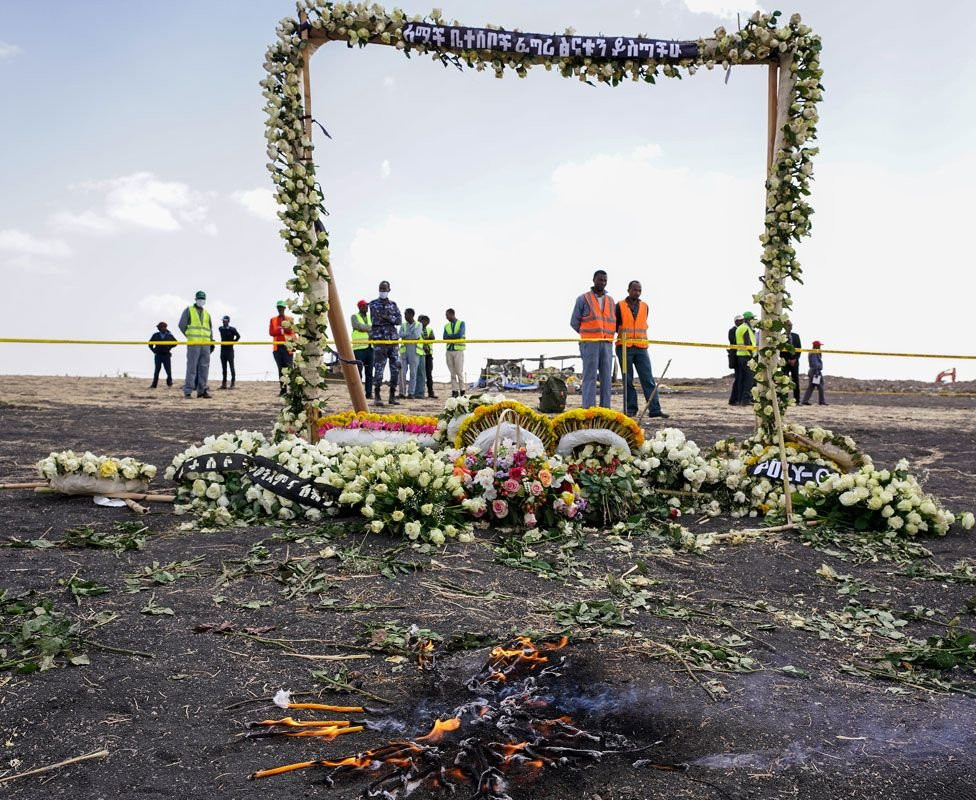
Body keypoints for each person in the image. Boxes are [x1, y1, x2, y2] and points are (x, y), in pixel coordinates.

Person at [615, 280, 667, 418]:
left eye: (639, 290)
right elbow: (615, 325)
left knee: (648, 379)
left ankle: (655, 410)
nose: (637, 293)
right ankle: (631, 409)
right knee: (628, 380)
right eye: (634, 290)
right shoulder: (619, 306)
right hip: (624, 347)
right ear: (628, 290)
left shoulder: (645, 306)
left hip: (641, 347)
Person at [570, 269, 615, 409]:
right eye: (600, 280)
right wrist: (587, 335)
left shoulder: (610, 301)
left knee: (606, 378)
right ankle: (588, 408)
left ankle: (605, 408)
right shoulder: (583, 299)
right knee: (589, 376)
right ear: (594, 280)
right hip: (590, 343)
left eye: (605, 280)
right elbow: (574, 322)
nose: (603, 283)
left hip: (606, 343)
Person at [369, 280, 402, 406]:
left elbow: (399, 320)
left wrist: (388, 318)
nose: (382, 291)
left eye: (384, 289)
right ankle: (377, 395)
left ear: (389, 290)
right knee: (379, 369)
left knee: (395, 369)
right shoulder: (373, 304)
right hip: (380, 340)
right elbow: (376, 319)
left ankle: (392, 395)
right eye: (381, 288)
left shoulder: (393, 304)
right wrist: (390, 319)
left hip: (393, 341)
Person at [178, 290, 213, 398]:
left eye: (203, 299)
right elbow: (182, 325)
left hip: (205, 345)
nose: (201, 300)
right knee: (192, 368)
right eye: (199, 298)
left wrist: (211, 341)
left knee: (204, 368)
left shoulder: (207, 313)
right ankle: (188, 391)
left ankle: (202, 391)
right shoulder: (189, 310)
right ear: (195, 299)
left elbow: (210, 329)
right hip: (194, 344)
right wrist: (189, 336)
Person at [269, 300, 296, 396]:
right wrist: (283, 330)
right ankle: (283, 390)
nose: (280, 309)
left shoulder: (290, 319)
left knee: (290, 369)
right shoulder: (273, 320)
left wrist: (281, 329)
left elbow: (291, 331)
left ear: (284, 308)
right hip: (277, 348)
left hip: (288, 347)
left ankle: (293, 390)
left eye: (281, 307)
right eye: (279, 307)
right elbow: (271, 332)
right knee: (281, 370)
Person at [732, 311, 757, 407]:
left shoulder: (739, 328)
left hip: (740, 355)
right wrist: (752, 356)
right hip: (747, 356)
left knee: (742, 379)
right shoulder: (745, 328)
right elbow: (747, 343)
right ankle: (746, 400)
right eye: (752, 319)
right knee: (749, 379)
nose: (753, 320)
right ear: (748, 319)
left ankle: (741, 399)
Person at [399, 308, 423, 400]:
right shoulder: (403, 325)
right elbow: (400, 334)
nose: (405, 316)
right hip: (404, 351)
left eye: (406, 314)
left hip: (414, 350)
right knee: (402, 372)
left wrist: (406, 335)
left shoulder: (418, 325)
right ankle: (402, 393)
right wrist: (409, 333)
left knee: (413, 373)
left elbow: (416, 335)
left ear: (411, 315)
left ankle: (411, 393)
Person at [350, 299, 373, 397]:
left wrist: (366, 327)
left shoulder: (370, 317)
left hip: (370, 348)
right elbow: (359, 326)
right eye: (364, 306)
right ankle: (358, 393)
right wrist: (369, 327)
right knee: (358, 372)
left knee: (369, 372)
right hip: (359, 348)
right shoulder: (354, 316)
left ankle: (369, 393)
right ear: (360, 307)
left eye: (367, 306)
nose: (366, 307)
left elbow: (374, 328)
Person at [444, 308, 466, 397]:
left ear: (452, 314)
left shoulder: (461, 323)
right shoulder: (446, 326)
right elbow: (444, 337)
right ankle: (454, 391)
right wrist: (453, 336)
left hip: (458, 350)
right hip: (449, 350)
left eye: (447, 315)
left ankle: (462, 390)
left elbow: (460, 335)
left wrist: (450, 336)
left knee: (459, 371)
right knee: (452, 372)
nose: (446, 317)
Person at [148, 322, 177, 388]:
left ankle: (169, 382)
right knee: (157, 370)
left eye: (164, 327)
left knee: (168, 370)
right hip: (158, 355)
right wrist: (154, 350)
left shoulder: (169, 335)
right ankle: (154, 384)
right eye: (161, 327)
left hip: (166, 355)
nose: (162, 328)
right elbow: (150, 344)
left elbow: (175, 343)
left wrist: (169, 347)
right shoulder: (155, 335)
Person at [780, 320, 802, 404]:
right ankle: (784, 399)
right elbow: (780, 351)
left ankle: (797, 400)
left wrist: (795, 359)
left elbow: (799, 349)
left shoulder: (796, 336)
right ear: (784, 326)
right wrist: (787, 360)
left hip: (795, 362)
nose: (790, 327)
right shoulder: (781, 337)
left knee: (795, 381)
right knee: (784, 381)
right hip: (785, 362)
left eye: (791, 325)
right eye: (789, 325)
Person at [801, 340, 828, 405]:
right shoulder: (814, 352)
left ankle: (805, 401)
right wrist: (817, 373)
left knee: (811, 387)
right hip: (815, 371)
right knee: (820, 387)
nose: (820, 347)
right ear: (816, 346)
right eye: (819, 346)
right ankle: (822, 401)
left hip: (813, 371)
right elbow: (815, 363)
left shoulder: (814, 352)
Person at [218, 315, 240, 390]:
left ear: (228, 321)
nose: (224, 322)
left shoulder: (232, 329)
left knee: (231, 367)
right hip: (223, 350)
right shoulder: (221, 328)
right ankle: (224, 384)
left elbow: (238, 336)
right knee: (224, 368)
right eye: (223, 321)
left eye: (225, 321)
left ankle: (232, 383)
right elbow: (223, 331)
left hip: (230, 350)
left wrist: (233, 342)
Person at [418, 314, 437, 399]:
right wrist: (427, 339)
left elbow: (432, 338)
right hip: (420, 353)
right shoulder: (417, 329)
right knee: (420, 374)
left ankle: (430, 392)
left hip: (428, 354)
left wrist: (426, 340)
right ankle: (419, 392)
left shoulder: (429, 330)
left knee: (429, 374)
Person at [728, 314, 744, 405]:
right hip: (736, 358)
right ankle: (734, 399)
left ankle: (738, 398)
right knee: (738, 378)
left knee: (741, 378)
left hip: (741, 356)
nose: (742, 322)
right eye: (740, 321)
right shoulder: (732, 331)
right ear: (736, 322)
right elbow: (733, 342)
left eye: (742, 320)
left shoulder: (742, 329)